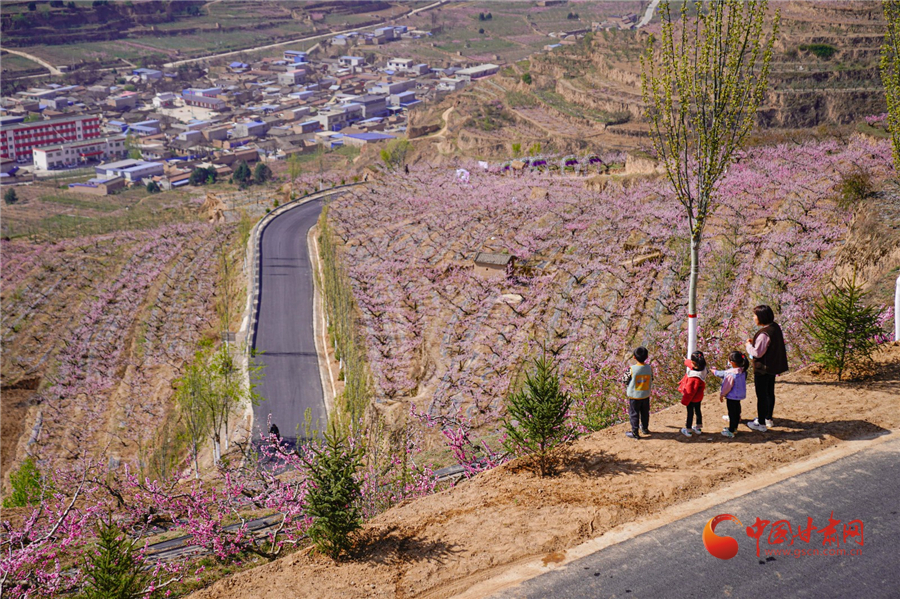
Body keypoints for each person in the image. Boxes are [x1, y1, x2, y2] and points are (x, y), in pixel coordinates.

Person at [745, 305, 789, 432]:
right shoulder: (775, 327)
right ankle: (768, 418)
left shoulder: (764, 333)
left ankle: (761, 423)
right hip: (772, 367)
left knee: (762, 395)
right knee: (770, 392)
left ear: (761, 317)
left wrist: (748, 345)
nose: (754, 318)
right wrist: (755, 341)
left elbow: (757, 353)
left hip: (763, 369)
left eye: (755, 316)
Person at [714, 351, 749, 438]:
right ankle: (736, 424)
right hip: (739, 395)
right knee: (737, 410)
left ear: (732, 362)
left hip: (732, 396)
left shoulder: (731, 374)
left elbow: (727, 386)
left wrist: (722, 394)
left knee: (732, 413)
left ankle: (732, 430)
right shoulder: (742, 371)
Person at [623, 346, 653, 439]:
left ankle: (635, 432)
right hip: (645, 395)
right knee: (645, 413)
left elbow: (624, 380)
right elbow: (652, 379)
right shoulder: (649, 368)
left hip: (634, 397)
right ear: (647, 357)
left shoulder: (632, 369)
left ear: (634, 357)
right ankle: (644, 428)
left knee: (634, 414)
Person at [679, 351, 707, 437]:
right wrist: (686, 360)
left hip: (692, 399)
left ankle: (688, 430)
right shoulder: (703, 368)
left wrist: (684, 401)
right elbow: (691, 364)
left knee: (690, 413)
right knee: (698, 411)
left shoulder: (694, 378)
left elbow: (690, 392)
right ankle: (698, 428)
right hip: (699, 397)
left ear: (694, 363)